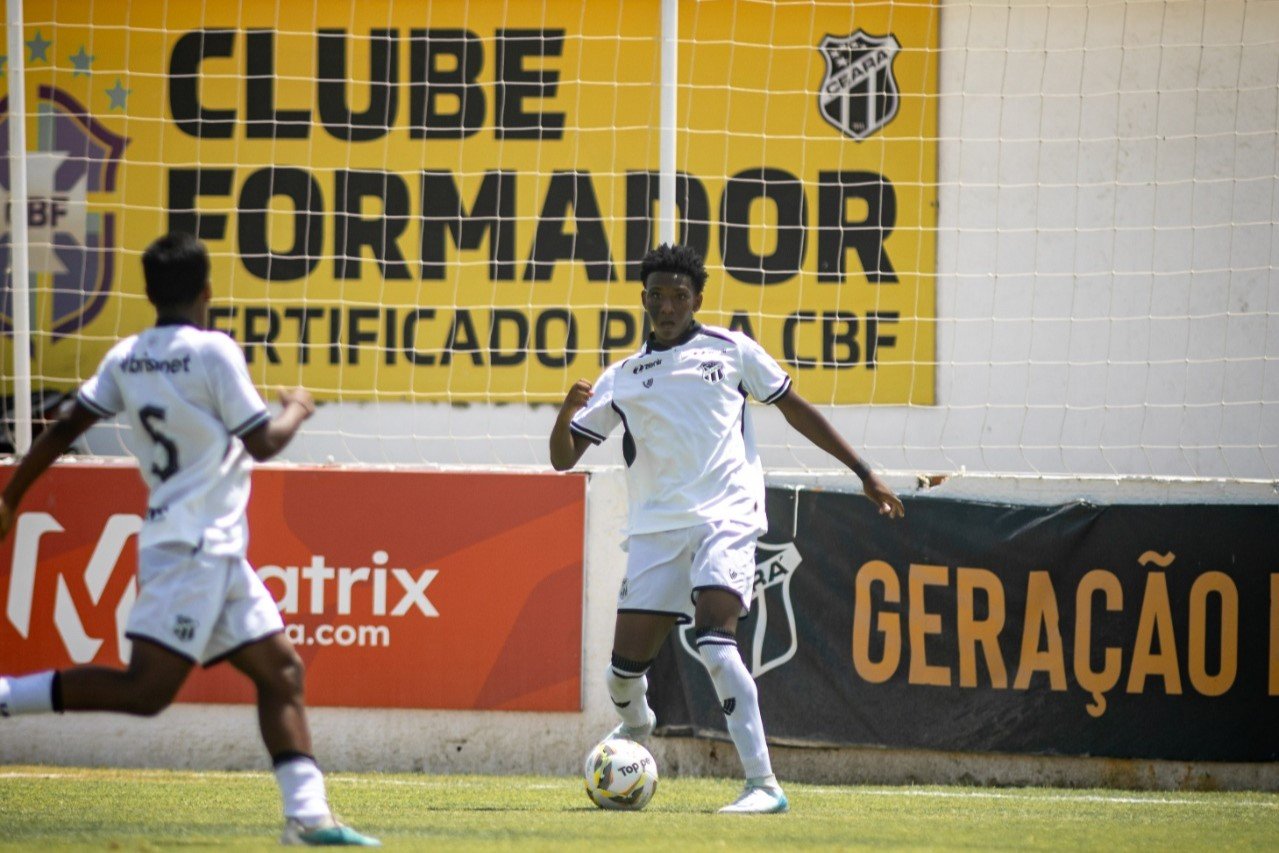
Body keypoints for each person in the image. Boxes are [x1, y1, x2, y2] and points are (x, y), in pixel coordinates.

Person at [0, 233, 378, 847]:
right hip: (192, 548)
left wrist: (12, 496)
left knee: (281, 671)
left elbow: (67, 423)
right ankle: (7, 696)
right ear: (207, 289)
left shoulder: (126, 356)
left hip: (215, 550)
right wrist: (298, 408)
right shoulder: (213, 352)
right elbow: (262, 442)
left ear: (147, 292)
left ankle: (309, 819)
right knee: (145, 692)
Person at [550, 243, 905, 814]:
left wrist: (864, 472)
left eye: (679, 296)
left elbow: (796, 408)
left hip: (726, 518)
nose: (667, 306)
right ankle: (637, 727)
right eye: (658, 296)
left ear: (697, 300)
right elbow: (564, 458)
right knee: (621, 677)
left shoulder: (731, 350)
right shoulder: (624, 376)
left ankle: (764, 786)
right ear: (643, 300)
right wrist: (565, 413)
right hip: (656, 532)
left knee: (715, 642)